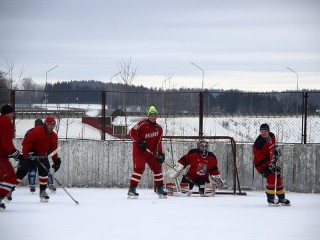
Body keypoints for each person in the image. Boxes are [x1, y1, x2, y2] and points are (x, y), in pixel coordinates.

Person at [13, 116, 61, 202]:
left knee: (45, 169)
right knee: (21, 171)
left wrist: (56, 160)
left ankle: (42, 192)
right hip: (29, 155)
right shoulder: (36, 131)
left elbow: (53, 150)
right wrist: (28, 152)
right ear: (45, 124)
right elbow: (26, 142)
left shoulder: (54, 136)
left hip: (42, 155)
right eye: (49, 124)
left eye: (53, 125)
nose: (51, 126)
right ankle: (8, 190)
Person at [127, 106, 167, 198]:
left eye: (155, 116)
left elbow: (158, 142)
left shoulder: (159, 128)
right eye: (152, 115)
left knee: (158, 168)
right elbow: (131, 133)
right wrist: (139, 141)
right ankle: (132, 189)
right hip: (140, 151)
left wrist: (160, 154)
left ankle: (160, 188)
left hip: (151, 152)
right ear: (148, 116)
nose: (153, 117)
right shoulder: (142, 124)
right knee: (139, 169)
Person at [253, 123, 290, 206]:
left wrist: (276, 152)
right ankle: (270, 199)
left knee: (278, 178)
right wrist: (270, 165)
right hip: (261, 164)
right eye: (261, 131)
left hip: (271, 162)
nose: (263, 133)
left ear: (268, 131)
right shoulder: (258, 143)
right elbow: (260, 158)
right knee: (271, 177)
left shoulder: (272, 136)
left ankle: (281, 198)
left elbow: (273, 147)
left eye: (265, 131)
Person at [27, 119, 56, 193]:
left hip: (41, 155)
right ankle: (49, 184)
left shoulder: (41, 132)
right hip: (34, 155)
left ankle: (33, 185)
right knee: (36, 170)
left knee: (43, 170)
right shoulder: (31, 132)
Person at [0, 104, 19, 211]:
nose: (13, 115)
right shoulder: (7, 123)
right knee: (10, 178)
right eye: (12, 112)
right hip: (1, 157)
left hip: (3, 155)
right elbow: (6, 143)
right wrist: (15, 153)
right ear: (8, 113)